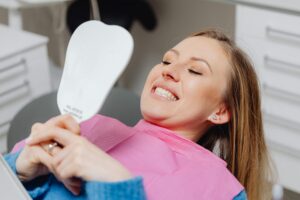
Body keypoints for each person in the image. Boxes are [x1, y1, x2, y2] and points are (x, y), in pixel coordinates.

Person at [4, 29, 274, 200]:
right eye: (167, 60)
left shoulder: (220, 191)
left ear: (220, 111)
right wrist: (17, 170)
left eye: (195, 70)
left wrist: (118, 187)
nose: (167, 70)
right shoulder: (89, 126)